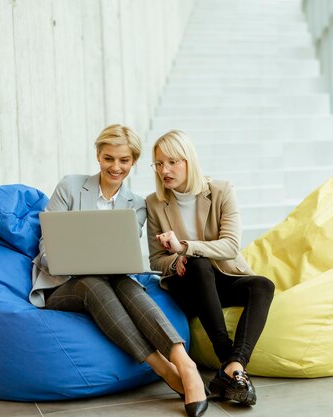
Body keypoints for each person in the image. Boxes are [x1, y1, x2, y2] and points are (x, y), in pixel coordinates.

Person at [30, 124, 208, 417]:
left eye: (124, 160)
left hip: (112, 281)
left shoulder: (135, 205)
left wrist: (110, 265)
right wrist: (72, 262)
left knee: (127, 284)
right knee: (92, 283)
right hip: (61, 285)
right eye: (108, 158)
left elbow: (119, 256)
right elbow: (47, 249)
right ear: (98, 156)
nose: (116, 167)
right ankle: (164, 368)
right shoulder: (70, 187)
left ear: (134, 162)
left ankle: (184, 364)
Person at [146, 129, 275, 406]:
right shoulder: (154, 203)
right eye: (158, 164)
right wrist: (177, 259)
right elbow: (155, 260)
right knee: (199, 265)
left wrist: (184, 247)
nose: (164, 170)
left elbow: (230, 246)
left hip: (223, 277)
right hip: (187, 286)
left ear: (189, 161)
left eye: (172, 162)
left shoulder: (221, 191)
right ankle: (227, 357)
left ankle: (233, 367)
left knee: (263, 285)